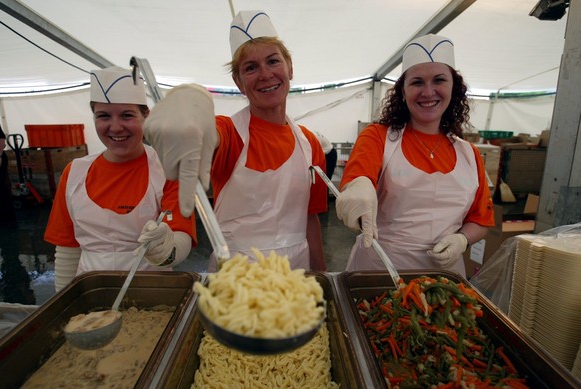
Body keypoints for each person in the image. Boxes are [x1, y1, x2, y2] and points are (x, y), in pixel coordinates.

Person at [144, 10, 328, 271]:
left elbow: (311, 218)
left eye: (273, 61)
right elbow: (207, 137)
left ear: (290, 67)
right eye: (250, 68)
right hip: (235, 282)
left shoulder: (309, 144)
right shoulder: (228, 131)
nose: (265, 74)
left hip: (297, 278)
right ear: (239, 82)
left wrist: (322, 279)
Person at [336, 34, 494, 277]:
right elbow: (359, 176)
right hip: (379, 271)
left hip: (444, 278)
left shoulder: (469, 154)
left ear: (454, 87)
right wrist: (358, 187)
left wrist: (462, 240)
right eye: (417, 82)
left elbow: (481, 219)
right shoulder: (378, 137)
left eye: (439, 80)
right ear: (403, 91)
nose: (428, 92)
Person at [44, 66, 195, 292]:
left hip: (154, 294)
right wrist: (62, 304)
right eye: (103, 116)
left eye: (127, 115)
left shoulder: (168, 170)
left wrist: (166, 249)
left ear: (146, 116)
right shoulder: (74, 172)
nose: (115, 127)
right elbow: (67, 249)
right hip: (90, 295)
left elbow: (181, 238)